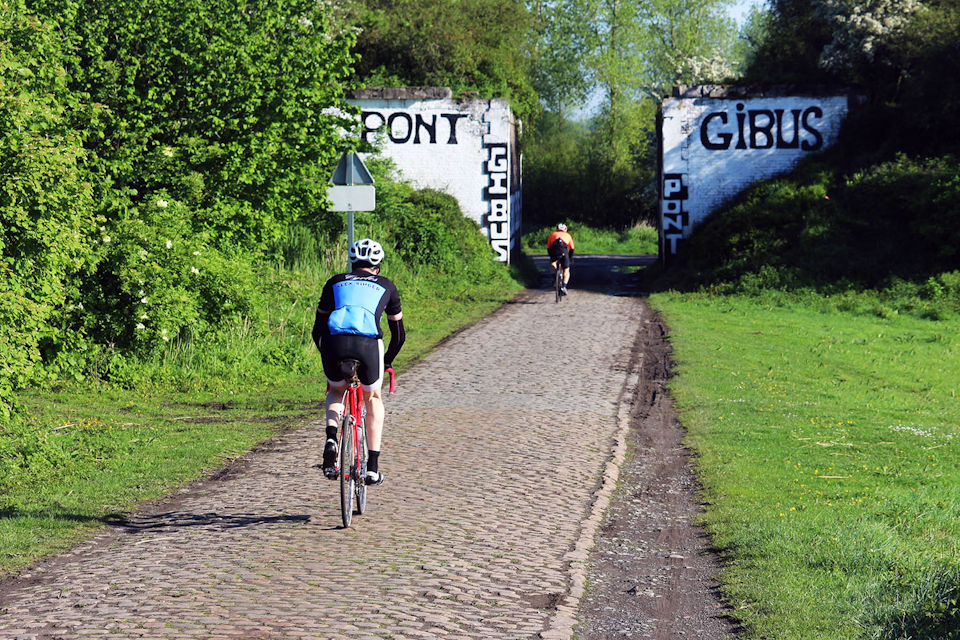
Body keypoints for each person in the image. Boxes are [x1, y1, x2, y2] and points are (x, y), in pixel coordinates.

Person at [312, 238, 405, 486]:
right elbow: (399, 336)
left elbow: (317, 331)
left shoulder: (335, 281)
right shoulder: (387, 285)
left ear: (353, 262)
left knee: (335, 391)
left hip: (333, 343)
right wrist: (386, 362)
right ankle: (372, 468)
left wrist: (327, 355)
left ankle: (332, 437)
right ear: (378, 265)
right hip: (367, 345)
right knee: (372, 398)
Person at [546, 223, 575, 295]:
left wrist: (551, 257)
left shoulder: (552, 234)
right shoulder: (568, 235)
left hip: (554, 252)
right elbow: (572, 248)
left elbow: (549, 247)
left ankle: (554, 277)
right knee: (566, 270)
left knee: (552, 263)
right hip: (564, 253)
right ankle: (564, 287)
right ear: (565, 229)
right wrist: (570, 258)